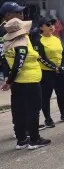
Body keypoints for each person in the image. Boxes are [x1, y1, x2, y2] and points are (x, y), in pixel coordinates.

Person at [1, 18, 51, 150]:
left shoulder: (7, 43)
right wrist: (9, 81)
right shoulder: (22, 44)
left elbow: (5, 62)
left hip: (17, 83)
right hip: (29, 82)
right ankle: (34, 140)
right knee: (33, 111)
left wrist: (8, 79)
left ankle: (21, 140)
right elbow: (18, 65)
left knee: (19, 111)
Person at [34, 16, 64, 128]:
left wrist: (62, 67)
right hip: (46, 73)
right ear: (41, 27)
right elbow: (41, 58)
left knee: (61, 94)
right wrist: (54, 67)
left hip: (60, 71)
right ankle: (48, 119)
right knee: (46, 96)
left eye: (52, 24)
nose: (51, 26)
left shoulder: (57, 39)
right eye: (48, 24)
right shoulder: (38, 40)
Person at [0, 2, 26, 138]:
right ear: (8, 15)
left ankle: (26, 127)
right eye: (18, 13)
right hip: (14, 72)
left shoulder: (19, 27)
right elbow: (4, 56)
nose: (22, 15)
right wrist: (7, 76)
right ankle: (20, 130)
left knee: (25, 103)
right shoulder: (3, 31)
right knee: (19, 104)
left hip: (23, 71)